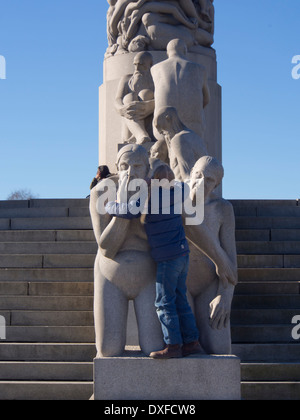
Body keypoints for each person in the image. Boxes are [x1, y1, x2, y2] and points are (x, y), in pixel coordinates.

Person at [105, 164, 202, 359]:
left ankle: (173, 345)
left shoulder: (153, 196)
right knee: (180, 298)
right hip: (183, 254)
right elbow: (185, 185)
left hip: (168, 257)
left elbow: (130, 211)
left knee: (164, 302)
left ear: (154, 180)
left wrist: (109, 205)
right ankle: (191, 342)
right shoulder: (180, 191)